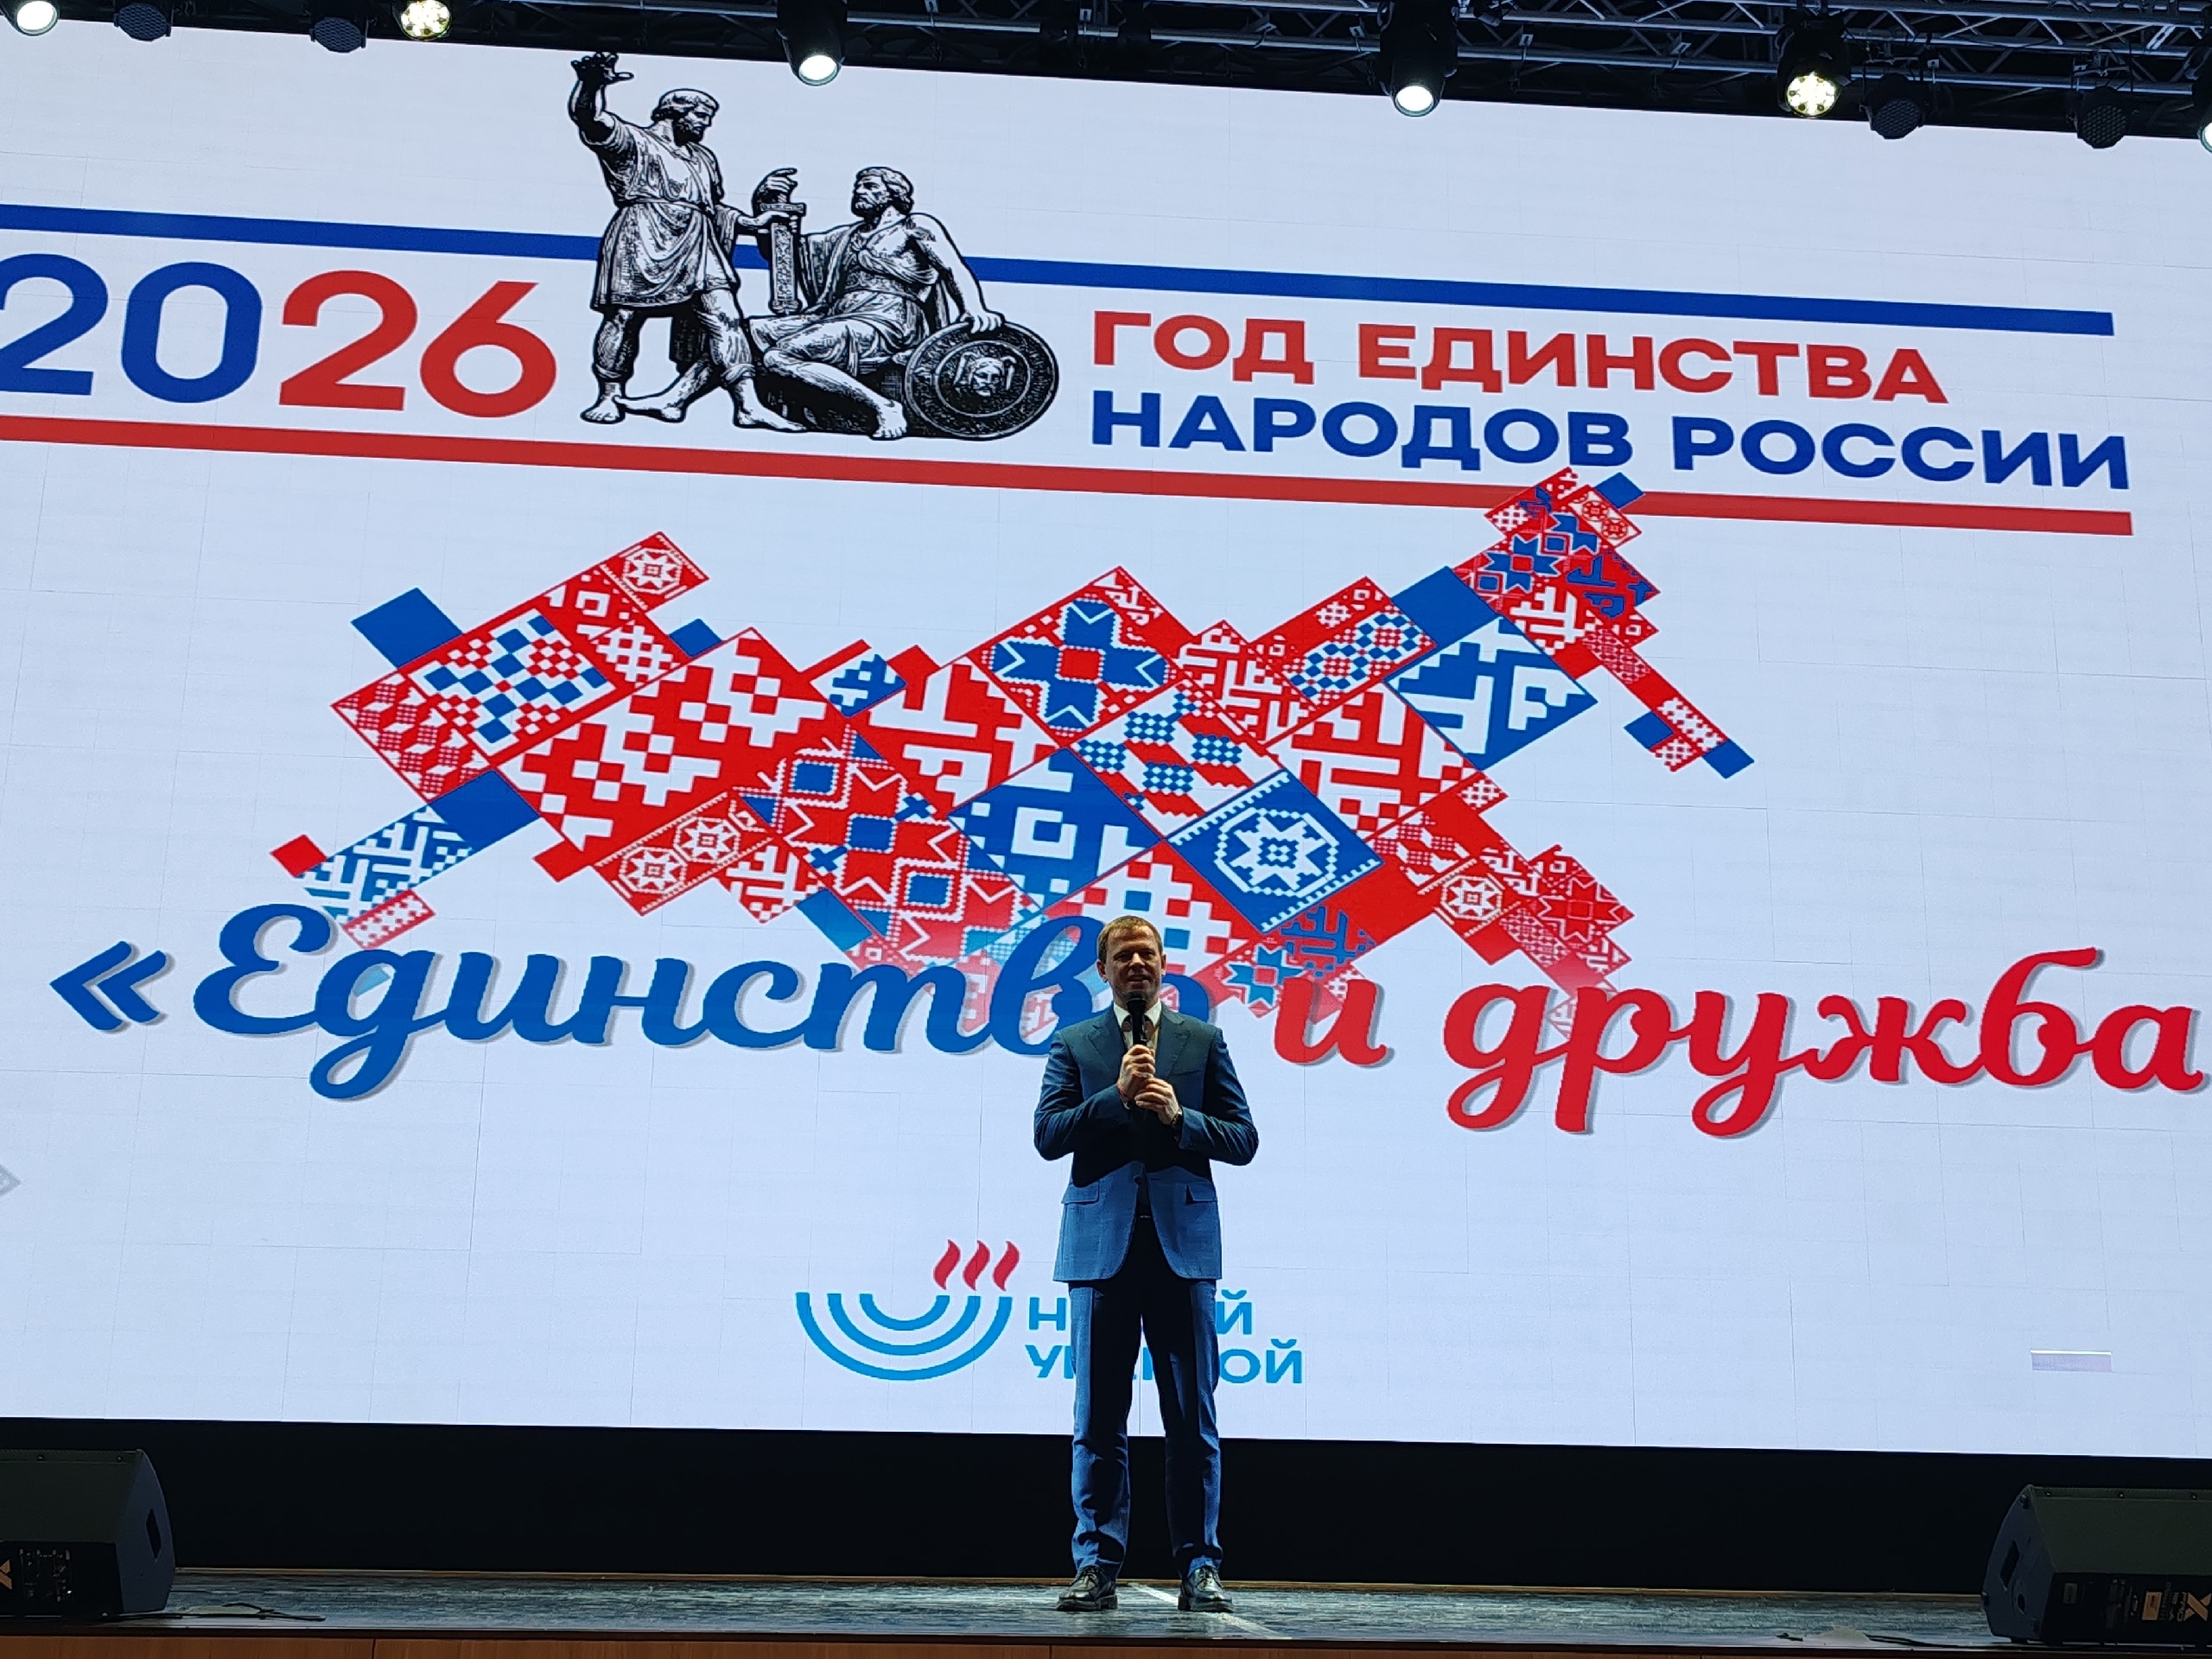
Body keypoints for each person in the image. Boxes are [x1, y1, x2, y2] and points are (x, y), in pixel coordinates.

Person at [1033, 915, 1258, 1615]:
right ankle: (1095, 1564)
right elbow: (1047, 1136)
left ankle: (1201, 1567)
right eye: (1124, 955)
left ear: (1163, 965)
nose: (1137, 963)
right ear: (1103, 970)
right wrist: (1116, 1098)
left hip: (1181, 1251)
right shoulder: (1075, 1043)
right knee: (1099, 1418)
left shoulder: (1202, 1040)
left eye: (1148, 953)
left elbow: (1244, 1139)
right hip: (1100, 1251)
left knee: (1192, 1419)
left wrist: (1180, 1119)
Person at [566, 53, 800, 431]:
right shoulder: (633, 141)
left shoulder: (704, 158)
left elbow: (713, 208)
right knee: (624, 317)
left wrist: (753, 223)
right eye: (701, 117)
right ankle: (609, 394)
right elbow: (589, 119)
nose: (705, 125)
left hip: (698, 242)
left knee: (727, 318)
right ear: (674, 113)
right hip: (643, 234)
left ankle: (747, 404)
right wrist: (592, 84)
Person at [748, 166, 1002, 441]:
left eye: (870, 186)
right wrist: (764, 203)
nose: (859, 191)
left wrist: (974, 307)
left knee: (779, 357)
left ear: (893, 193)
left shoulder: (914, 226)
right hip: (838, 315)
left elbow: (951, 267)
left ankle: (884, 407)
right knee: (746, 333)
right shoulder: (845, 236)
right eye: (857, 186)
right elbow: (784, 254)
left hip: (888, 321)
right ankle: (753, 407)